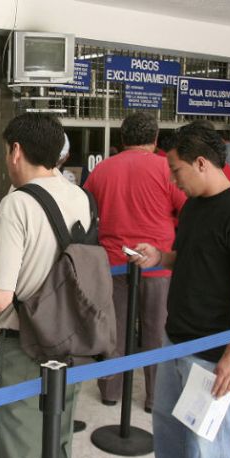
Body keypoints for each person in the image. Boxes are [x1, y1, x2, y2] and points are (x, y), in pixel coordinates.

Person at [0, 113, 91, 458]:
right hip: (73, 342)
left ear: (16, 151)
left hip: (27, 348)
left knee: (22, 452)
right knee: (58, 441)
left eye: (6, 151)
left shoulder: (17, 203)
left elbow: (2, 297)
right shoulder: (80, 196)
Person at [130, 122, 230, 458]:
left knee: (211, 446)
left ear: (200, 163)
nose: (173, 180)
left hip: (211, 354)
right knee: (170, 432)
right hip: (175, 340)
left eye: (175, 170)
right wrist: (158, 258)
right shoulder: (195, 206)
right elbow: (188, 258)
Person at [83, 112, 186, 413]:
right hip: (157, 264)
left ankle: (110, 391)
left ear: (122, 139)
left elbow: (87, 213)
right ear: (155, 139)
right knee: (156, 331)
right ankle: (155, 397)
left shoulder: (101, 170)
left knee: (113, 332)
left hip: (112, 264)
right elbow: (186, 210)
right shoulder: (167, 168)